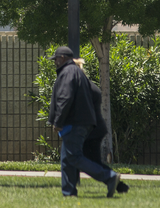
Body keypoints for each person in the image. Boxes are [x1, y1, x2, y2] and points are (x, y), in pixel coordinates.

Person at [47, 46, 120, 198]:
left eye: (56, 59)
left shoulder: (68, 72)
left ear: (63, 58)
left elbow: (65, 98)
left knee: (74, 157)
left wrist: (58, 121)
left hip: (74, 123)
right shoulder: (77, 72)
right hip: (81, 122)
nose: (55, 62)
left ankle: (109, 176)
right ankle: (69, 192)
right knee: (67, 159)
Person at [75, 58, 130, 193]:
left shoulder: (81, 87)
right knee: (90, 161)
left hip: (91, 131)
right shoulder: (89, 85)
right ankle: (117, 183)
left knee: (89, 162)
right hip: (96, 129)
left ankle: (115, 181)